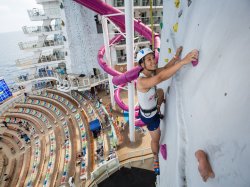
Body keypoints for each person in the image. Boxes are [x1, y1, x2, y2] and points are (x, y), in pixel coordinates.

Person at [136, 46, 198, 175]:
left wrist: (175, 58)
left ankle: (158, 108)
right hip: (150, 116)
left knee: (160, 92)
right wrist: (182, 62)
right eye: (149, 59)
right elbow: (160, 78)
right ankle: (155, 157)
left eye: (153, 57)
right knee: (156, 139)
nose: (153, 61)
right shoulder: (141, 81)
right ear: (142, 64)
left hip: (151, 105)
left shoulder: (151, 72)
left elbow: (164, 69)